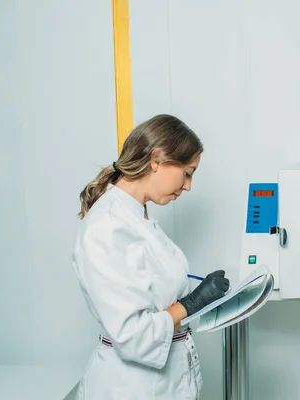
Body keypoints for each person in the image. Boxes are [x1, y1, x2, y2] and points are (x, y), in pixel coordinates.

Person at [72, 114, 229, 400]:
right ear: (156, 159)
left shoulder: (136, 215)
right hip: (130, 388)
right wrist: (193, 303)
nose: (188, 186)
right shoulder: (106, 227)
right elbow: (133, 336)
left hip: (160, 385)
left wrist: (198, 294)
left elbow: (154, 292)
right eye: (187, 172)